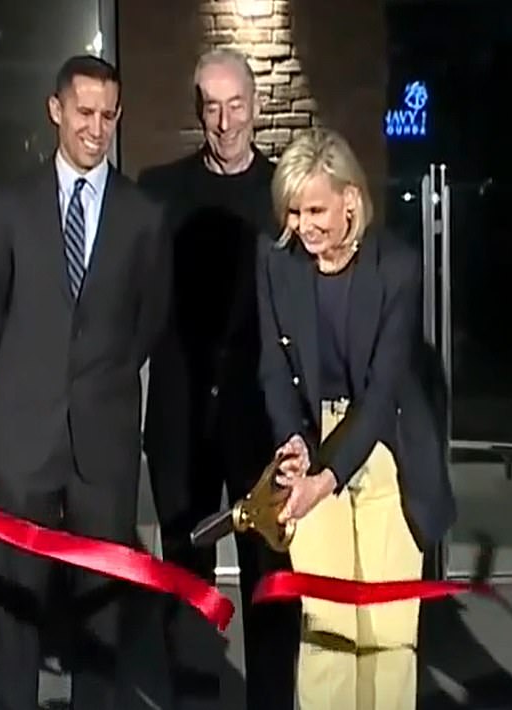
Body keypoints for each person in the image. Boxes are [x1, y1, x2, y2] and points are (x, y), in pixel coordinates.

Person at [0, 55, 169, 710]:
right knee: (15, 609)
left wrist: (97, 379)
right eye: (84, 112)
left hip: (103, 445)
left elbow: (150, 319)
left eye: (109, 115)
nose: (97, 128)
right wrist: (36, 373)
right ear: (56, 111)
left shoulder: (144, 217)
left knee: (100, 614)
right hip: (23, 438)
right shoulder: (9, 208)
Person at [258, 127, 455, 710]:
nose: (303, 225)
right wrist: (293, 443)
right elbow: (274, 369)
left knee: (387, 631)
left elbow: (383, 390)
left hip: (386, 440)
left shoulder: (397, 265)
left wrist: (328, 477)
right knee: (327, 624)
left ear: (351, 200)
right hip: (315, 441)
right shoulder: (277, 263)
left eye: (316, 209)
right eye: (293, 211)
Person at [138, 48, 299, 710]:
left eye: (237, 106)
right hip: (180, 419)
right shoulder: (158, 191)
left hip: (262, 419)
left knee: (271, 577)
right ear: (197, 113)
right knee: (186, 574)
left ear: (256, 108)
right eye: (212, 107)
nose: (226, 122)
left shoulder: (287, 192)